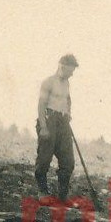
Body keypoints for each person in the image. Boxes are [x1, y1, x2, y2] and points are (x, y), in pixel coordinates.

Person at [35, 54, 79, 197]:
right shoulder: (48, 82)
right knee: (44, 158)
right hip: (49, 119)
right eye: (70, 70)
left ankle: (62, 195)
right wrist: (43, 126)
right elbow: (41, 104)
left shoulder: (67, 83)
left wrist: (68, 113)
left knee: (68, 160)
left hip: (63, 121)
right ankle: (42, 191)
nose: (72, 74)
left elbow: (68, 99)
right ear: (62, 66)